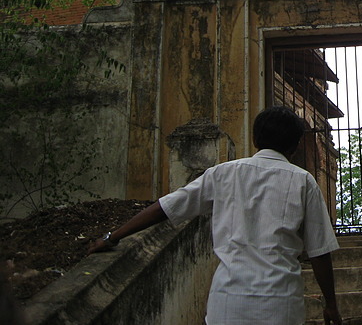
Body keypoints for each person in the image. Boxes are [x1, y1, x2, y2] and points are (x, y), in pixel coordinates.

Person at [89, 106, 342, 325]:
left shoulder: (222, 174)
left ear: (255, 139)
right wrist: (330, 304)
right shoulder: (303, 182)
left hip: (228, 301)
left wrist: (113, 237)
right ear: (296, 146)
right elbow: (319, 251)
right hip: (280, 305)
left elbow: (165, 208)